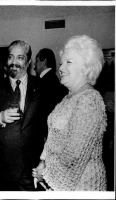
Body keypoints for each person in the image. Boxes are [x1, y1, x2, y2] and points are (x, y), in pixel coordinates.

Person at [32, 35, 107, 191]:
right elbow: (54, 138)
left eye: (69, 62)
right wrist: (42, 162)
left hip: (83, 186)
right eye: (61, 63)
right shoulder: (69, 97)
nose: (60, 68)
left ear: (86, 67)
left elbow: (73, 158)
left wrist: (44, 174)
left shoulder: (89, 101)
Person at [0, 40, 46, 191]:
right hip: (4, 171)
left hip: (32, 170)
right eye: (11, 57)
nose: (13, 62)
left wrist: (45, 161)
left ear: (28, 62)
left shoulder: (41, 87)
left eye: (20, 58)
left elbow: (49, 128)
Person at [34, 48, 67, 140]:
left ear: (44, 61)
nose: (34, 64)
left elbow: (44, 111)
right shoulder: (52, 78)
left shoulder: (46, 81)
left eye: (37, 61)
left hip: (46, 133)